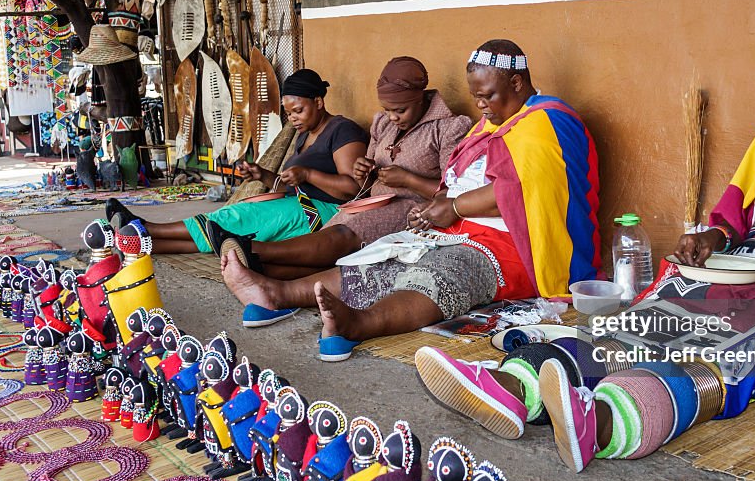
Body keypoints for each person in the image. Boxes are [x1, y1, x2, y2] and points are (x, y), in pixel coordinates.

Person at [413, 16, 755, 473]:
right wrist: (711, 238)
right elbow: (735, 210)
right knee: (662, 314)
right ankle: (517, 386)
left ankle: (606, 420)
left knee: (751, 345)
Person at [222, 39, 601, 360]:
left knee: (444, 272)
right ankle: (277, 293)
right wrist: (437, 211)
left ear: (517, 83)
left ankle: (357, 324)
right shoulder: (496, 123)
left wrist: (449, 207)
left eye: (487, 96)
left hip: (516, 245)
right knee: (385, 257)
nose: (481, 107)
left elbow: (517, 192)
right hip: (459, 227)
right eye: (476, 97)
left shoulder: (549, 122)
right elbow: (455, 183)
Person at [216, 56, 473, 282]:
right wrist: (366, 170)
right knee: (331, 241)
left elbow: (452, 193)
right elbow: (362, 183)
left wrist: (406, 179)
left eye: (400, 110)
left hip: (413, 209)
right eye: (387, 110)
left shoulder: (447, 128)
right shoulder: (383, 124)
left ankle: (254, 250)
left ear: (420, 99)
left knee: (343, 235)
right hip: (372, 202)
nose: (393, 117)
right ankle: (261, 272)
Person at [106, 69, 368, 254]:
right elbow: (285, 185)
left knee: (238, 218)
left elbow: (353, 190)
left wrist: (308, 175)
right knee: (231, 233)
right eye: (288, 114)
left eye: (298, 111)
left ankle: (144, 226)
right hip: (297, 205)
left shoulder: (342, 130)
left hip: (325, 214)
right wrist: (261, 174)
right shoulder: (304, 137)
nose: (293, 119)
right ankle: (144, 244)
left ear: (319, 102)